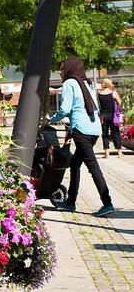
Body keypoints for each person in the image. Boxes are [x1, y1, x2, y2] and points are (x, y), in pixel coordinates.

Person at [49, 57, 114, 217]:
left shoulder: (69, 83)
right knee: (75, 164)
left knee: (93, 167)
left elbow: (65, 109)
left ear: (70, 69)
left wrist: (51, 119)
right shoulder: (88, 83)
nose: (60, 71)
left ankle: (107, 203)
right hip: (93, 130)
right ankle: (71, 202)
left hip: (81, 131)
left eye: (62, 68)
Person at [98, 78, 124, 159]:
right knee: (116, 133)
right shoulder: (114, 93)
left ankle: (107, 153)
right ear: (109, 84)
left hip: (103, 116)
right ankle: (119, 153)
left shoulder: (99, 93)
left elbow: (99, 105)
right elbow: (120, 103)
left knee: (105, 134)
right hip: (113, 116)